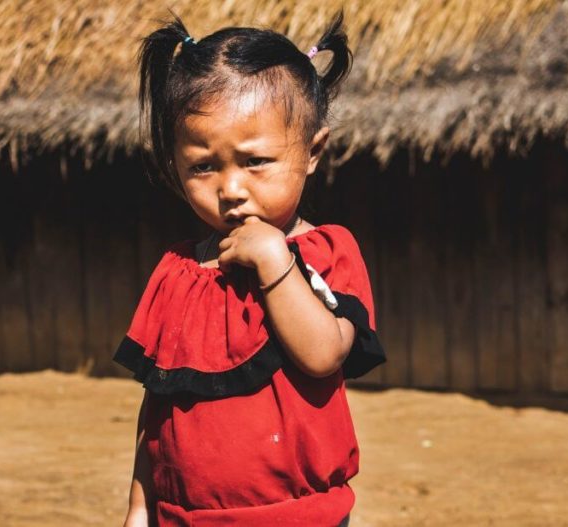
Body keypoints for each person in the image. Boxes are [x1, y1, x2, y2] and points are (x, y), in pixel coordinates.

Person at [114, 11, 386, 527]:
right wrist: (140, 507)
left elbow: (324, 353)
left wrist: (274, 261)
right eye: (203, 166)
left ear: (312, 152)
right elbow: (158, 405)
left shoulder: (328, 253)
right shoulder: (178, 271)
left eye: (255, 161)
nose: (231, 188)